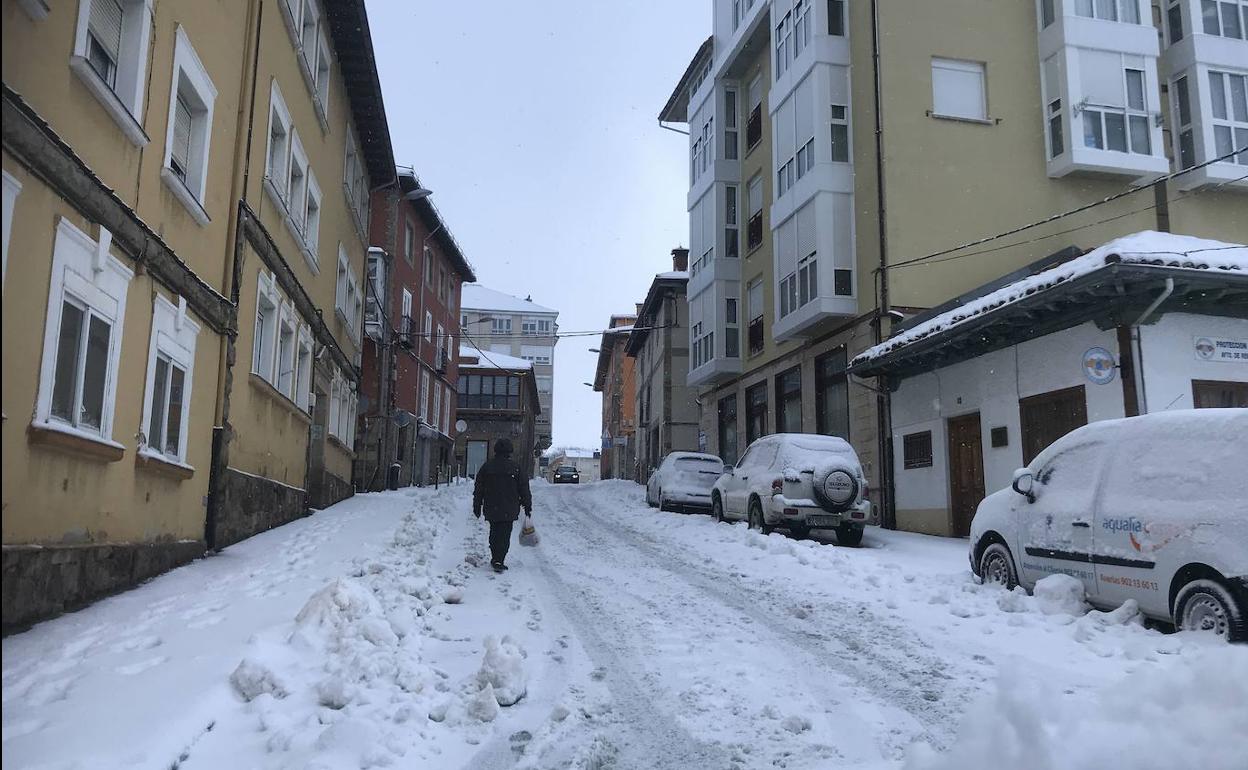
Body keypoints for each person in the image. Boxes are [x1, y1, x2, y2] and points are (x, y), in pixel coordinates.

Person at [472, 439, 533, 572]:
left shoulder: (487, 467)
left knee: (494, 532)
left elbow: (479, 488)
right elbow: (524, 488)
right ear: (509, 452)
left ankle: (495, 557)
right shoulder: (516, 468)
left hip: (492, 507)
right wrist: (527, 505)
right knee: (504, 535)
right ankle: (499, 559)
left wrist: (477, 505)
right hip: (509, 508)